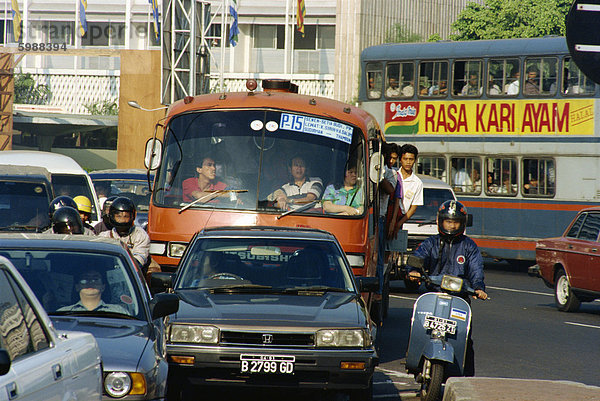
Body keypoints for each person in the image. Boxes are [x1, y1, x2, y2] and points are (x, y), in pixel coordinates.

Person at [406, 200, 487, 376]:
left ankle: (466, 379)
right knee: (419, 328)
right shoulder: (431, 243)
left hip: (459, 298)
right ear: (440, 221)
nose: (452, 225)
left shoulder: (469, 246)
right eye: (448, 221)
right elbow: (418, 256)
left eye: (455, 222)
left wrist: (478, 287)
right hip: (432, 293)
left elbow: (476, 269)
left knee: (466, 340)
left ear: (462, 223)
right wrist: (413, 270)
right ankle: (414, 361)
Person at [375, 143, 399, 300]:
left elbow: (390, 190)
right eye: (389, 157)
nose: (391, 161)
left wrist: (379, 176)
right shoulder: (375, 167)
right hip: (369, 215)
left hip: (381, 218)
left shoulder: (390, 173)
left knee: (378, 255)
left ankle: (377, 290)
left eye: (394, 159)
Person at [99, 197, 150, 268]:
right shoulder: (104, 237)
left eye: (126, 216)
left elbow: (140, 259)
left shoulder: (140, 235)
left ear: (132, 216)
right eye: (118, 216)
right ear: (111, 216)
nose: (122, 220)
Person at [387, 144, 424, 239]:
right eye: (405, 159)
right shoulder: (392, 175)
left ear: (415, 160)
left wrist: (399, 223)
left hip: (401, 218)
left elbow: (413, 208)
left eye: (411, 159)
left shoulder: (417, 182)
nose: (408, 162)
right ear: (400, 160)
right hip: (387, 216)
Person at [58, 269, 128, 314]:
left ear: (103, 287)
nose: (90, 282)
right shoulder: (63, 313)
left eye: (95, 279)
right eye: (85, 279)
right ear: (77, 287)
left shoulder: (118, 312)